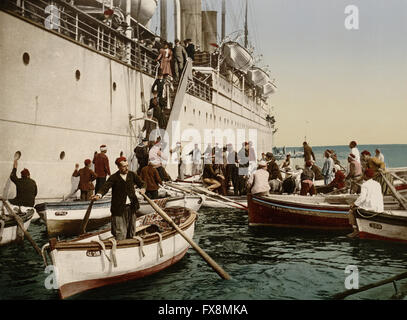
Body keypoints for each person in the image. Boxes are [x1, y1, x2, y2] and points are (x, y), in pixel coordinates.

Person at [93, 157, 146, 240]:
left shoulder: (132, 175)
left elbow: (142, 184)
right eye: (124, 166)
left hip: (131, 207)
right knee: (120, 231)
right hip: (118, 208)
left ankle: (130, 244)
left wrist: (143, 189)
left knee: (131, 230)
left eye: (127, 166)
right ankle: (120, 245)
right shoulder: (114, 177)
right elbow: (105, 187)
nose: (127, 168)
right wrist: (98, 195)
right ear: (118, 167)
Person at [347, 168, 383, 238]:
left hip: (370, 208)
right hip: (379, 208)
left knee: (351, 211)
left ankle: (355, 230)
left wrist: (353, 204)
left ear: (365, 176)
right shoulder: (377, 184)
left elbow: (362, 198)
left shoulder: (365, 185)